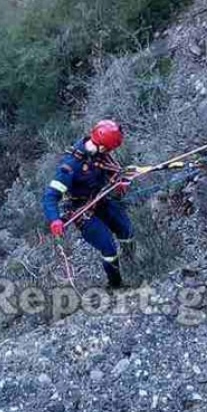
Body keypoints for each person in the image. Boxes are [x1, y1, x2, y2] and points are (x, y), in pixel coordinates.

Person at [41, 120, 132, 288]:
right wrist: (54, 219)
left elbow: (112, 169)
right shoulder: (69, 167)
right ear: (103, 146)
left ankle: (132, 264)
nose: (110, 152)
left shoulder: (100, 153)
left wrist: (119, 182)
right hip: (82, 211)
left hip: (101, 200)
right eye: (110, 149)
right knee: (108, 248)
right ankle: (116, 285)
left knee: (126, 229)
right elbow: (50, 196)